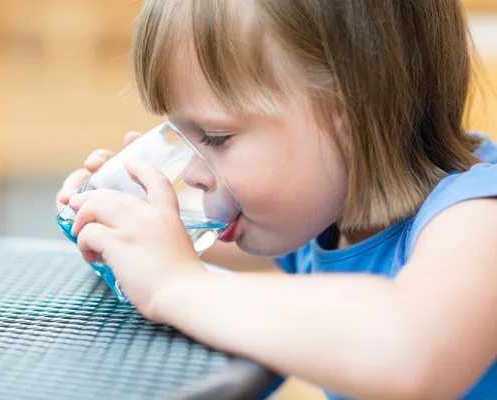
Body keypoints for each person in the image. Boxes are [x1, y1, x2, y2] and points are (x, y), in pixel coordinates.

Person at [56, 1, 497, 398]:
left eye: (215, 137)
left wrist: (178, 285)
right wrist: (135, 228)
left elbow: (413, 353)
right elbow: (196, 243)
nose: (190, 172)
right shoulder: (326, 207)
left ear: (351, 114)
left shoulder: (477, 217)